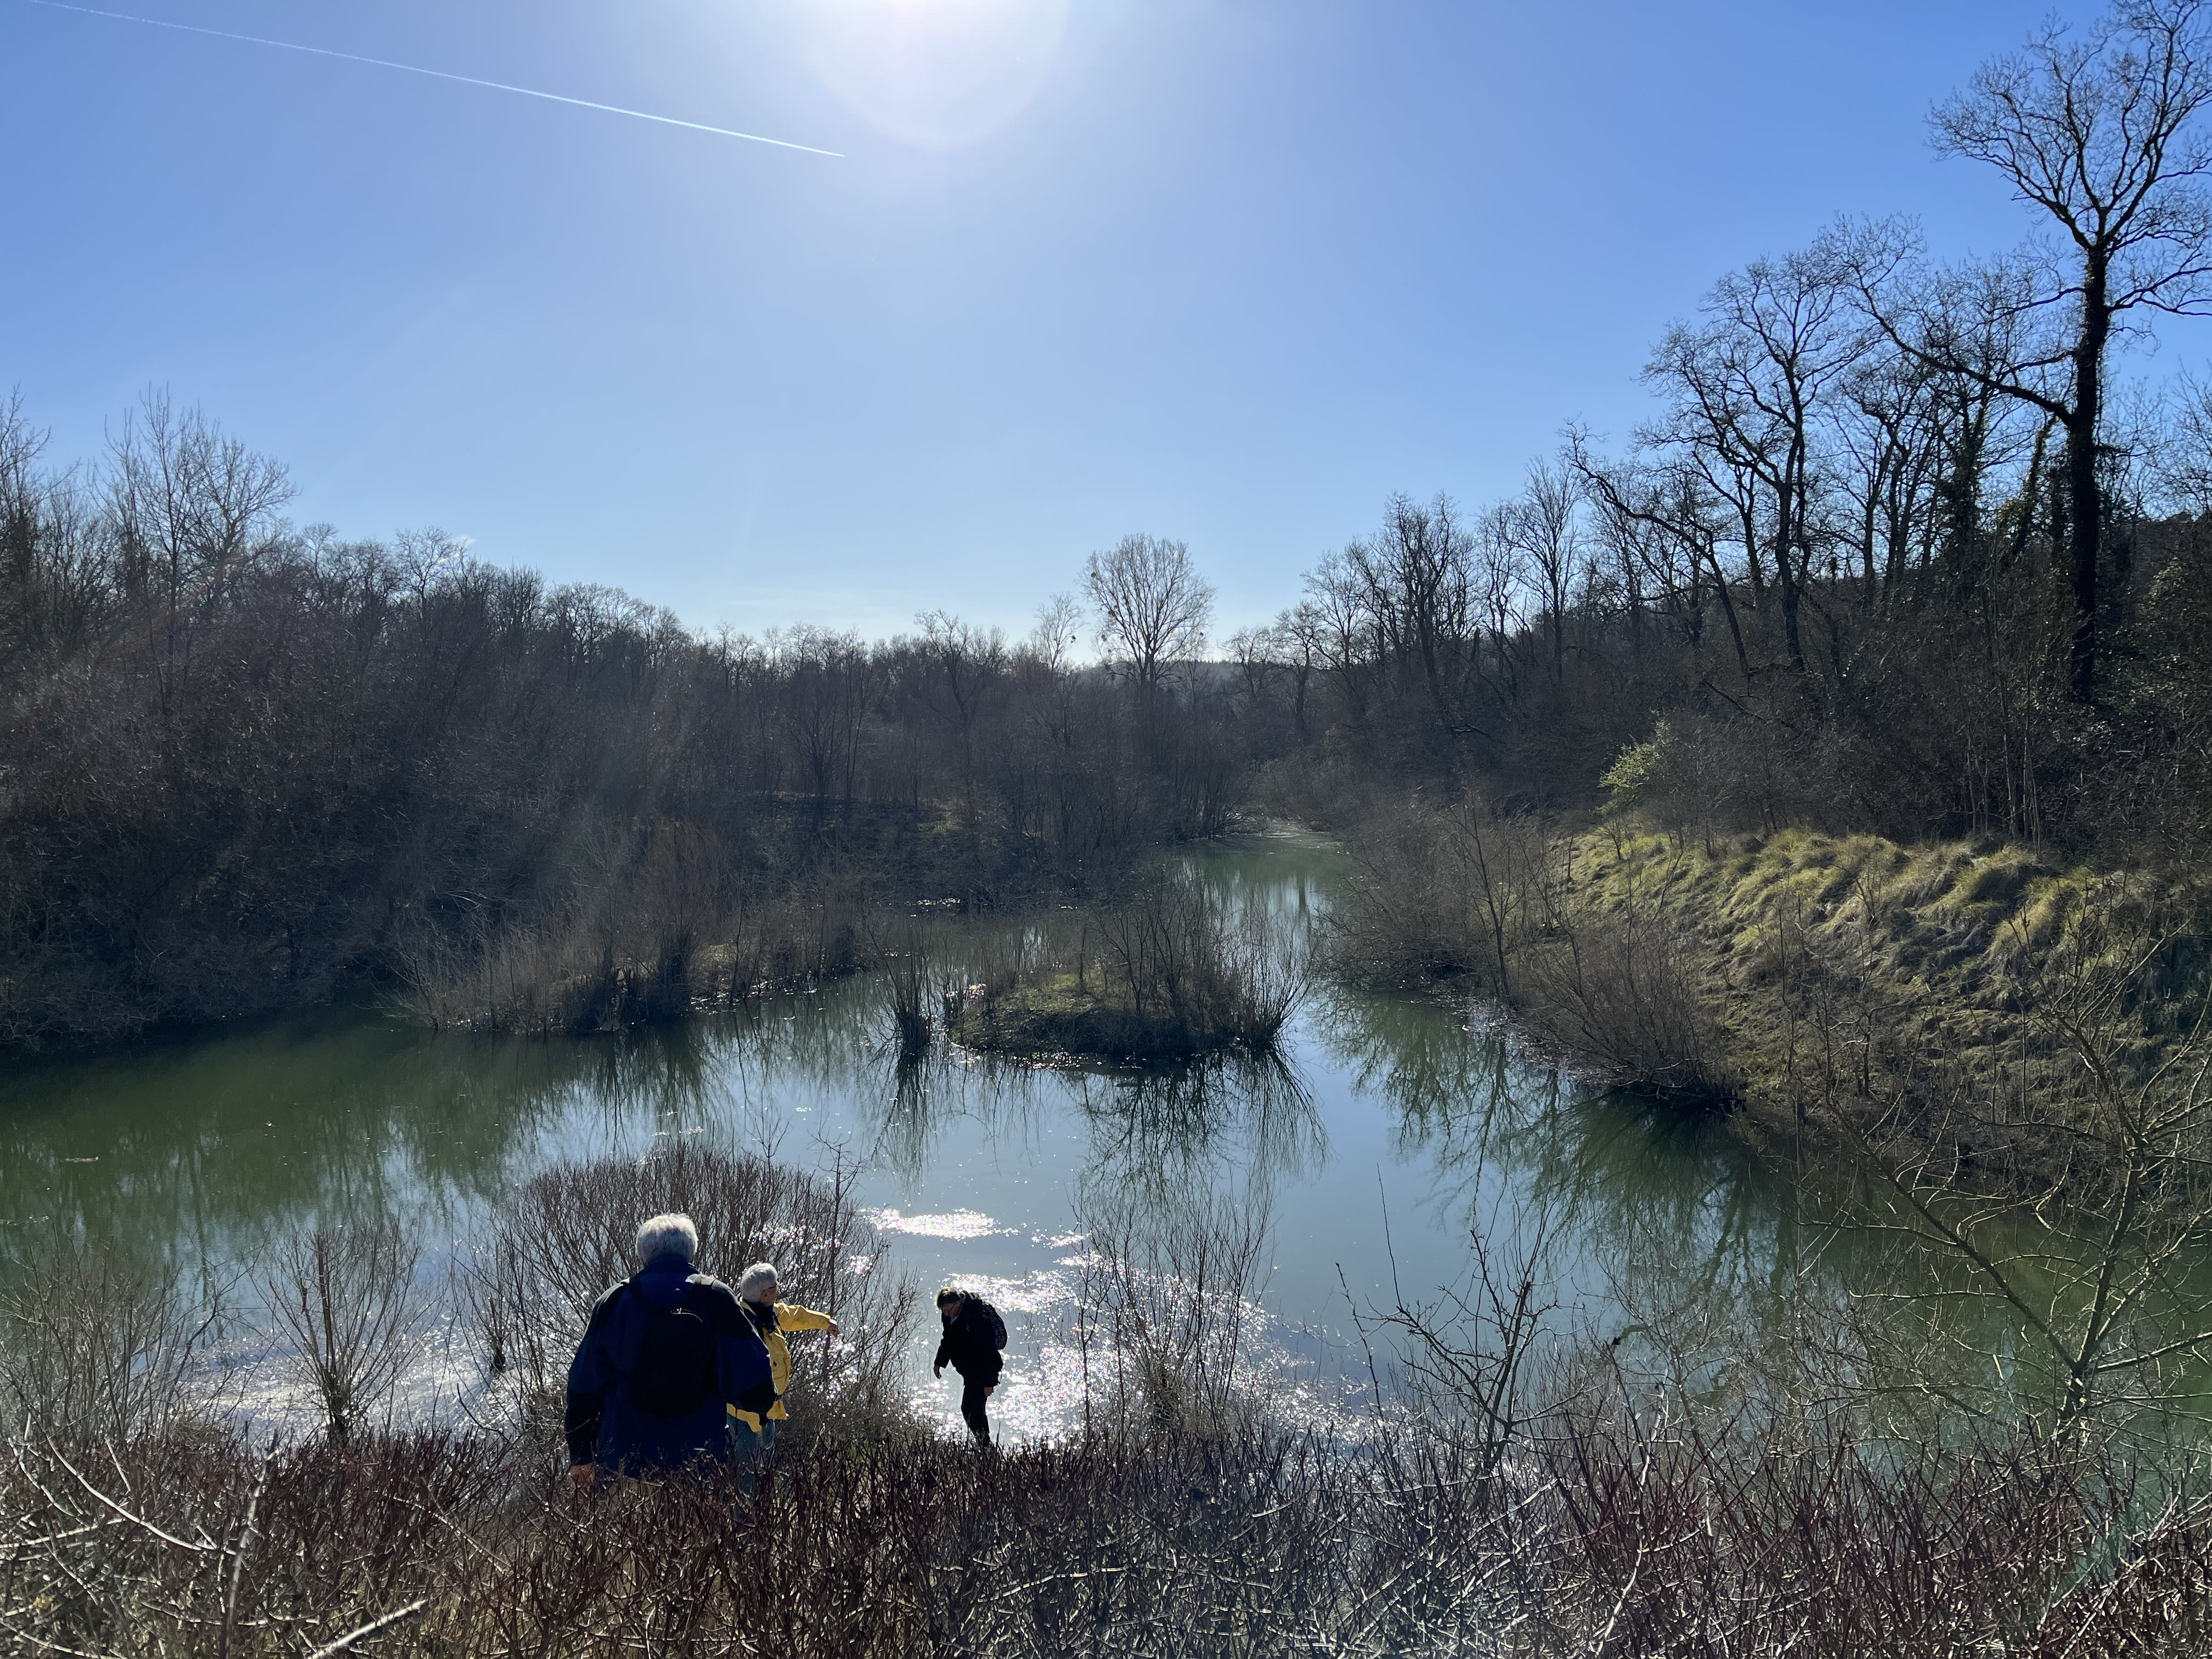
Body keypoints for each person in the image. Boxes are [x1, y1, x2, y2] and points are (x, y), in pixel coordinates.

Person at [564, 1212, 776, 1490]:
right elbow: (757, 1393)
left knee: (627, 1534)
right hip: (701, 1468)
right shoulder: (717, 1298)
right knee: (699, 1534)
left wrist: (581, 1456)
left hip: (626, 1465)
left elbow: (583, 1388)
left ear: (643, 1253)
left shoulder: (616, 1300)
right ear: (691, 1249)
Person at [727, 1261, 841, 1454]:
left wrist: (825, 1322)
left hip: (768, 1409)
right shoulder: (741, 1325)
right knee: (748, 1471)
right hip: (744, 1414)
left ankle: (762, 1484)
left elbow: (795, 1316)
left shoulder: (770, 1313)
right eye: (775, 1287)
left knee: (764, 1467)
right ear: (765, 1295)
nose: (778, 1290)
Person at [932, 1286, 1007, 1446]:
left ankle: (986, 1448)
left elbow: (989, 1352)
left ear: (957, 1303)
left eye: (947, 1310)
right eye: (943, 1311)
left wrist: (989, 1382)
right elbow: (948, 1339)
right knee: (970, 1410)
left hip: (981, 1372)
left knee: (973, 1411)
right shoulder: (949, 1316)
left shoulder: (976, 1318)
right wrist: (939, 1362)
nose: (945, 1314)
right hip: (970, 1372)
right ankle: (985, 1447)